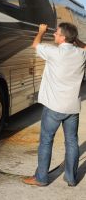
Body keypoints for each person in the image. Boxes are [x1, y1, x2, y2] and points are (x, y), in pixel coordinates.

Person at [23, 22, 86, 187]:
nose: (54, 35)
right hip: (72, 108)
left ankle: (41, 178)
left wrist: (41, 31)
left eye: (56, 33)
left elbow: (35, 45)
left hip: (53, 107)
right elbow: (85, 47)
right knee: (71, 142)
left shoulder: (53, 52)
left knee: (46, 141)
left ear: (63, 37)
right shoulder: (81, 54)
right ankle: (71, 178)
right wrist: (75, 40)